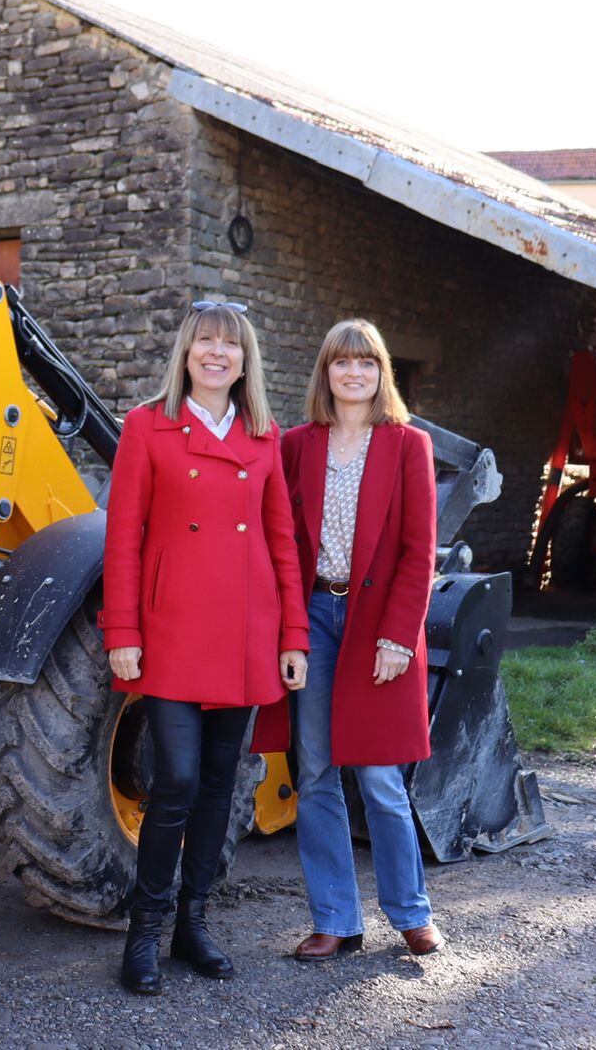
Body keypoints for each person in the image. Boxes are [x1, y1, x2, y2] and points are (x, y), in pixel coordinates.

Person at [100, 300, 308, 994]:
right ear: (186, 354)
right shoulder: (147, 427)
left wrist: (293, 636)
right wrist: (121, 634)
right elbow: (122, 539)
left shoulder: (263, 436)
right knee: (178, 780)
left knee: (220, 786)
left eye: (230, 345)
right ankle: (145, 932)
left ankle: (194, 925)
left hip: (249, 634)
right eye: (204, 343)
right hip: (173, 632)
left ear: (245, 359)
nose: (217, 354)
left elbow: (283, 543)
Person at [254, 317, 444, 961]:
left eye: (366, 362)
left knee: (381, 777)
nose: (353, 373)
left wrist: (399, 636)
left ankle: (411, 913)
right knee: (313, 775)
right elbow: (279, 539)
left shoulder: (408, 445)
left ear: (381, 372)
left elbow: (420, 554)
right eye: (342, 362)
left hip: (377, 627)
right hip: (313, 617)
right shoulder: (297, 445)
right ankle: (335, 918)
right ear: (326, 372)